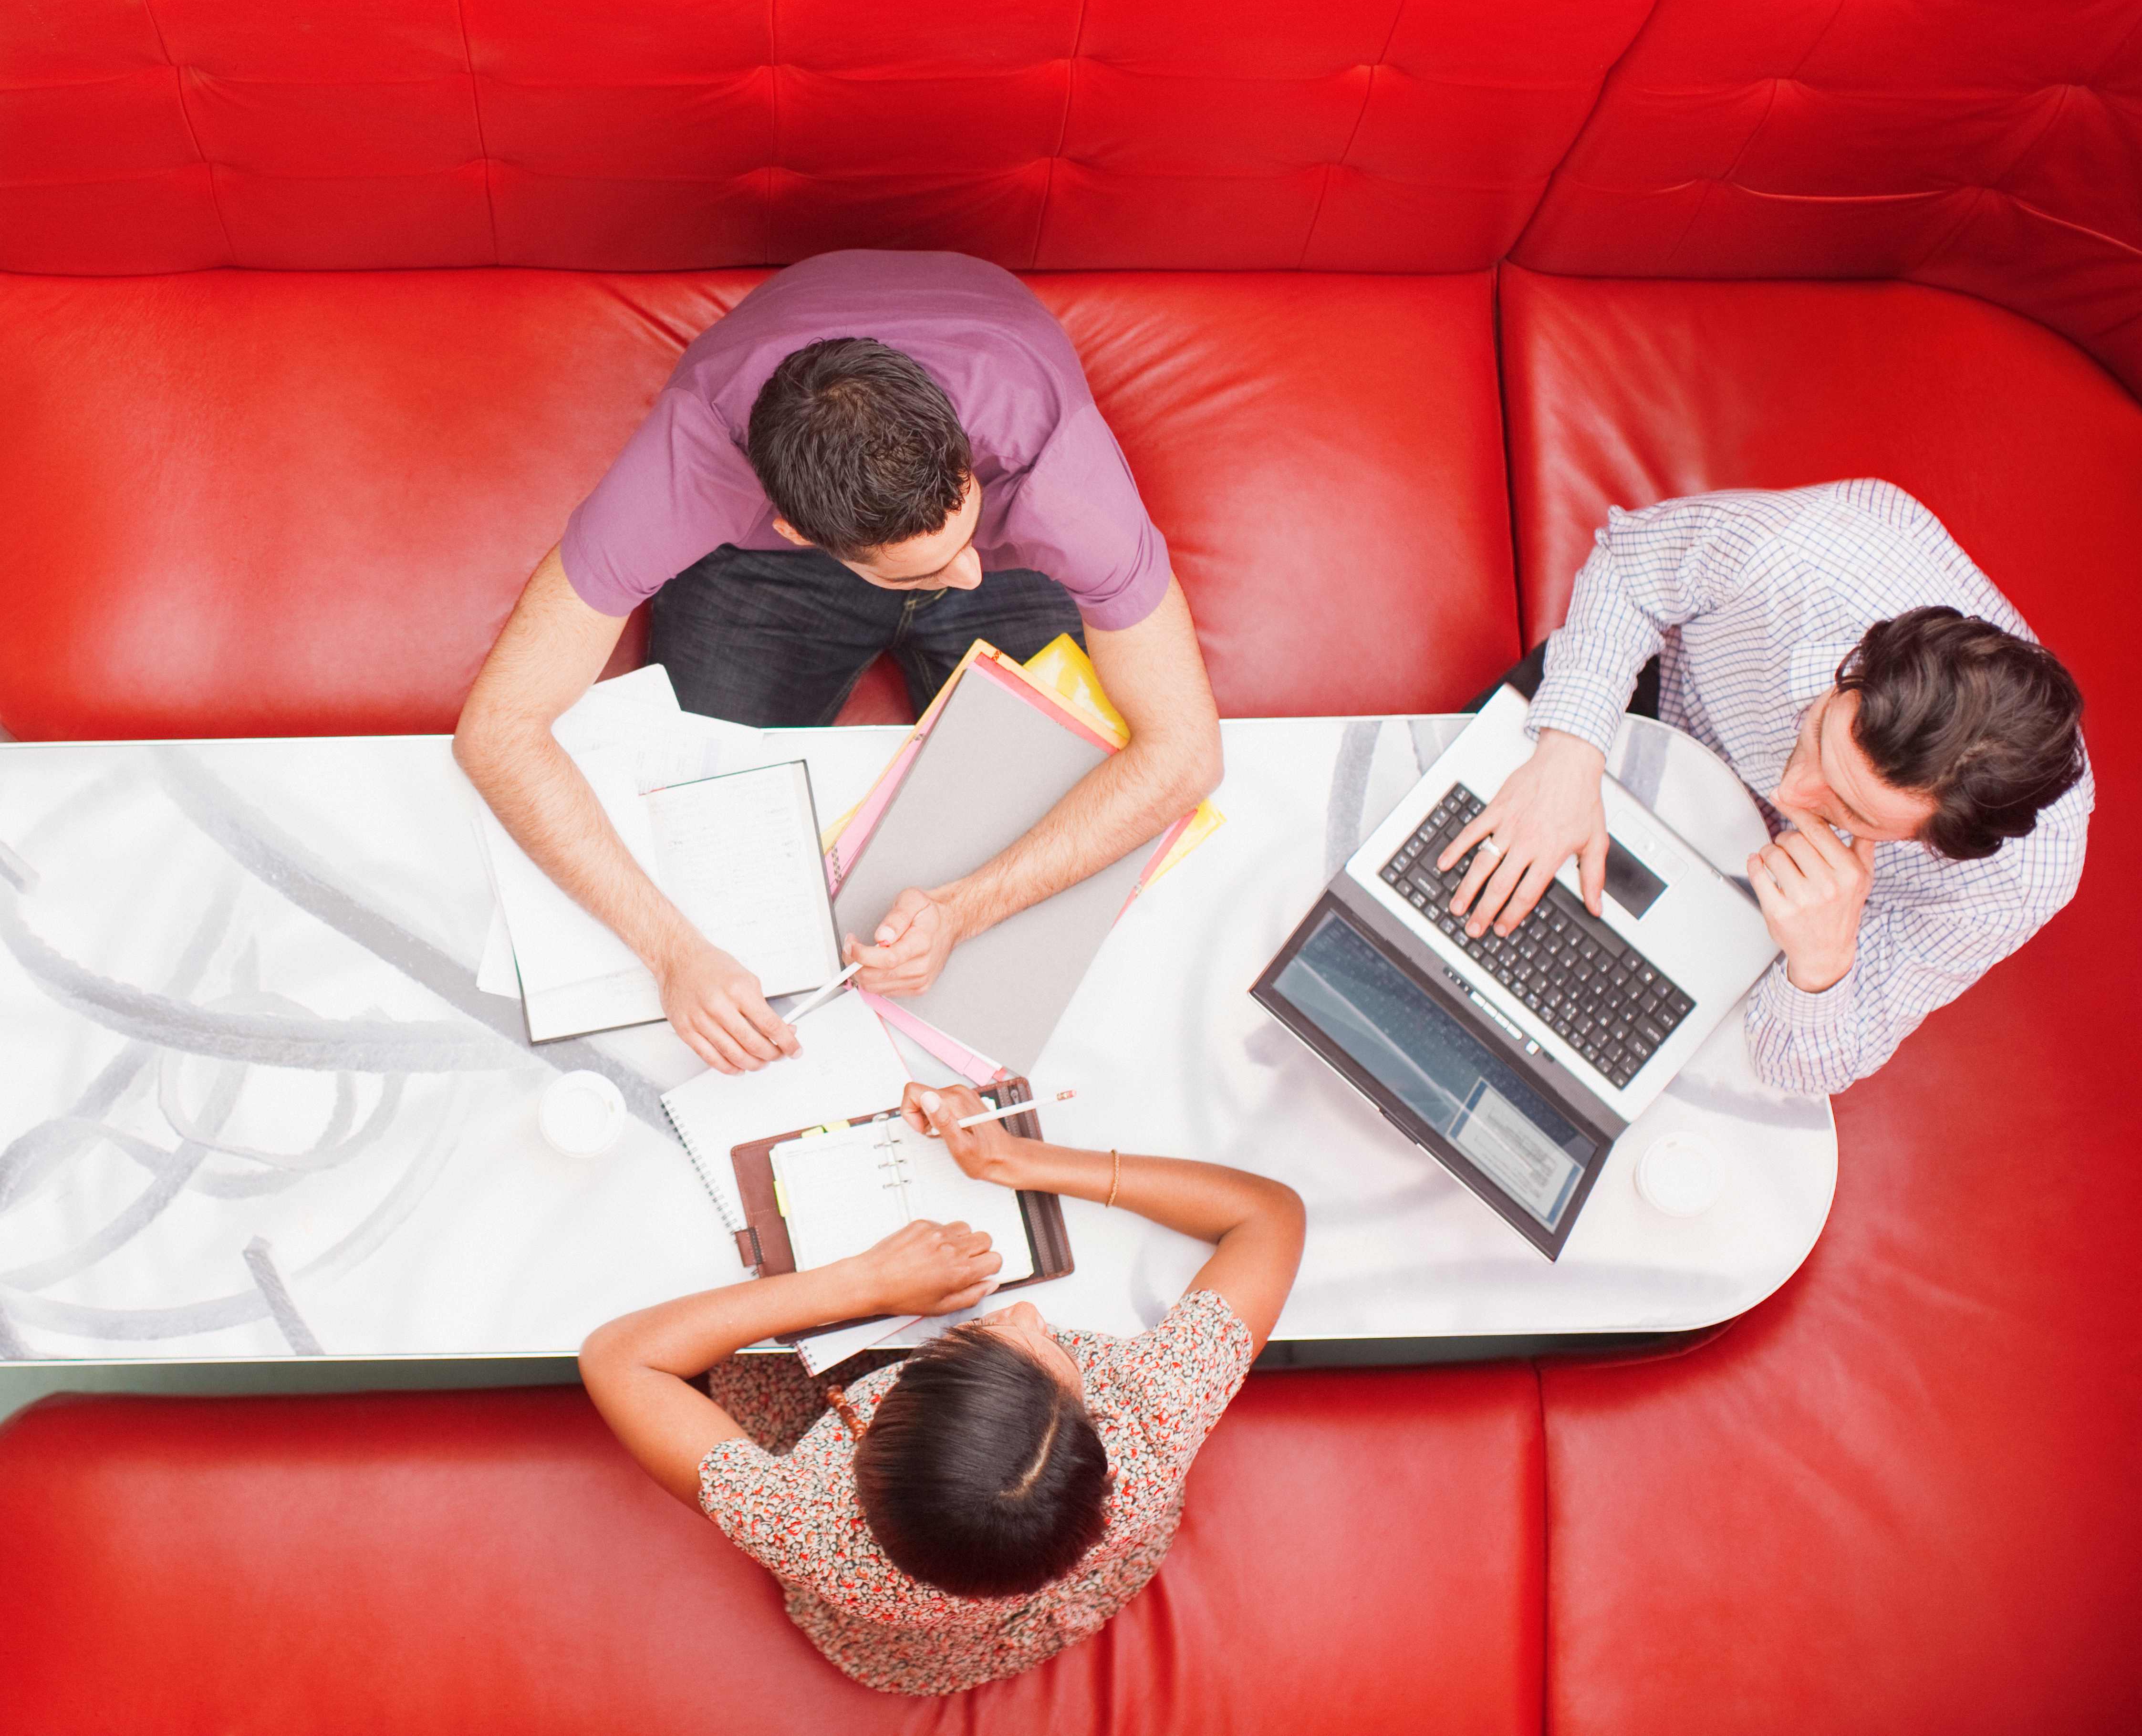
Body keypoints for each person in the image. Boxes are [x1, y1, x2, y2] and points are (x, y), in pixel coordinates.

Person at [455, 251, 1222, 1077]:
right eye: (926, 572)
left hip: (1022, 545)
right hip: (769, 572)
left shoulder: (1055, 475)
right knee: (709, 842)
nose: (963, 580)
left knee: (1062, 842)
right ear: (794, 529)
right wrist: (673, 953)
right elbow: (496, 731)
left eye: (960, 534)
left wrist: (966, 910)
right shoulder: (689, 466)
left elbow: (1184, 755)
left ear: (964, 458)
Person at [579, 1081, 1304, 1696]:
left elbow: (620, 1358)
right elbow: (1267, 1216)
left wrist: (859, 1283)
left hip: (899, 1640)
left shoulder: (804, 1523)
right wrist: (1024, 1161)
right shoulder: (1152, 1420)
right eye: (1040, 1345)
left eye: (980, 1338)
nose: (1025, 1311)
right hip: (1056, 1589)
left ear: (871, 1432)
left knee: (744, 1361)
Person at [1436, 479, 2089, 1094]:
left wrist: (1821, 965)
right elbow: (1631, 566)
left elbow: (1796, 1069)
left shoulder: (2010, 885)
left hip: (1768, 908)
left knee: (1573, 1065)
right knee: (1420, 858)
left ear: (1938, 843)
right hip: (1647, 704)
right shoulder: (1801, 552)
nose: (1789, 794)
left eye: (1848, 810)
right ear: (1856, 665)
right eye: (1817, 741)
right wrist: (1569, 749)